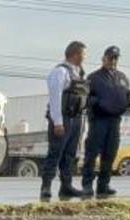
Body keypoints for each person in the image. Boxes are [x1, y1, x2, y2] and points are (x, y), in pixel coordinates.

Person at [41, 41, 90, 201]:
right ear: (75, 54)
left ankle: (66, 186)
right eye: (84, 53)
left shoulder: (78, 73)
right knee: (55, 153)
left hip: (76, 119)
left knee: (69, 155)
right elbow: (55, 98)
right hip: (63, 119)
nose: (85, 57)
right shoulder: (60, 71)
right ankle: (46, 187)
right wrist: (58, 122)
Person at [81, 46, 130, 198]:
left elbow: (127, 96)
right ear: (104, 59)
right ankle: (87, 185)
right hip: (99, 120)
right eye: (110, 58)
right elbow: (85, 99)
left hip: (115, 121)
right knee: (92, 154)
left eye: (116, 58)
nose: (113, 61)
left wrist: (125, 103)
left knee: (110, 154)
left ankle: (103, 185)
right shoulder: (94, 77)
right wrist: (99, 102)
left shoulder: (122, 77)